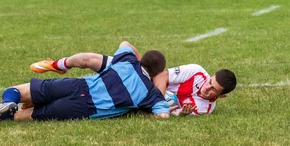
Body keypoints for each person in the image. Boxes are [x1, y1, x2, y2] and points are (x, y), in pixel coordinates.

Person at [0, 42, 171, 123]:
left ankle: (4, 102)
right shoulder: (151, 94)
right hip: (84, 108)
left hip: (78, 85)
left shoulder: (127, 60)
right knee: (22, 116)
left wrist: (136, 58)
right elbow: (163, 116)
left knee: (17, 90)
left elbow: (126, 43)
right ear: (156, 73)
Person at [31, 58, 237, 116]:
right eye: (210, 83)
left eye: (213, 91)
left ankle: (30, 104)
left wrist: (181, 114)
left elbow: (169, 114)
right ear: (209, 76)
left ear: (221, 97)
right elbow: (162, 76)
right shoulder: (196, 71)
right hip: (142, 76)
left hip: (142, 96)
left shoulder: (204, 109)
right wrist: (162, 98)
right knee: (88, 59)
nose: (207, 89)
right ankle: (57, 65)